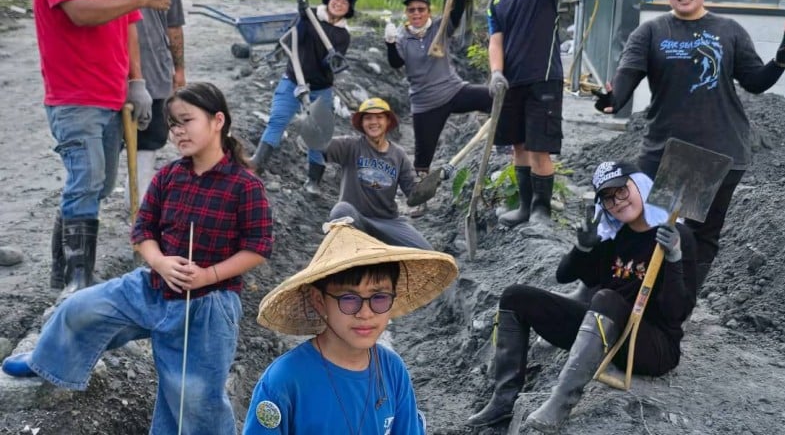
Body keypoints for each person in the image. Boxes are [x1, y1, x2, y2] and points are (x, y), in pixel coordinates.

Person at [2, 82, 274, 435]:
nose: (178, 131)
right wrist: (159, 262)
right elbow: (143, 230)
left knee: (193, 398)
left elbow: (258, 248)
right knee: (80, 309)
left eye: (186, 120)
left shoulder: (244, 186)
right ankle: (47, 361)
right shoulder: (169, 176)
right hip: (152, 287)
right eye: (173, 124)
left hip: (207, 305)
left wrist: (209, 276)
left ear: (217, 120)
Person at [593, 0, 785, 288]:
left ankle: (677, 305)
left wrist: (780, 60)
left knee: (698, 236)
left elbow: (755, 82)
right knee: (631, 215)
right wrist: (611, 99)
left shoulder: (728, 30)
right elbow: (626, 78)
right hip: (664, 149)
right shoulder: (651, 32)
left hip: (717, 149)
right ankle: (604, 289)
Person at [466, 160, 696, 430]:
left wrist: (675, 259)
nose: (617, 202)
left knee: (605, 298)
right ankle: (503, 400)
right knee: (515, 297)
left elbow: (676, 312)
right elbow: (563, 276)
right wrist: (582, 247)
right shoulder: (613, 235)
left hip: (652, 346)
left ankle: (560, 403)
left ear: (641, 185)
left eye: (622, 191)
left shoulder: (676, 236)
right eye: (608, 199)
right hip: (605, 334)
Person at [33, 0, 175, 293]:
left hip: (112, 93)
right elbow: (79, 12)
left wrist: (137, 82)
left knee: (100, 183)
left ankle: (62, 276)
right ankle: (79, 281)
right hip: (73, 95)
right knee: (88, 178)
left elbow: (126, 22)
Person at [243, 218, 458, 434]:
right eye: (348, 299)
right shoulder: (285, 381)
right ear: (319, 300)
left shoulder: (392, 370)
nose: (365, 313)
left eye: (380, 297)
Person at [486, 0, 581, 229]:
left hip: (543, 79)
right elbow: (495, 40)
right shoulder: (498, 0)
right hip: (512, 83)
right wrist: (497, 72)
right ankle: (525, 206)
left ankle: (542, 210)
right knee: (519, 146)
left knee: (540, 148)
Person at [384, 0, 491, 218]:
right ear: (407, 13)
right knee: (422, 159)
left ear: (428, 10)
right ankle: (420, 199)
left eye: (421, 9)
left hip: (453, 90)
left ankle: (502, 142)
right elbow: (395, 63)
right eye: (412, 10)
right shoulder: (402, 37)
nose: (416, 13)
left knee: (495, 97)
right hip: (425, 102)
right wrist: (390, 43)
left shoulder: (439, 28)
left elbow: (459, 10)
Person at [249, 0, 357, 195]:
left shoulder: (343, 35)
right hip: (293, 80)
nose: (338, 4)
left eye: (344, 3)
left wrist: (332, 59)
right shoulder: (310, 16)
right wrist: (303, 17)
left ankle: (313, 181)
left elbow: (329, 64)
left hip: (320, 88)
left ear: (348, 9)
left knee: (317, 134)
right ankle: (256, 165)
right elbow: (294, 36)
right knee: (278, 119)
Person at [125, 0, 187, 207]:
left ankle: (137, 208)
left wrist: (179, 69)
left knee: (149, 142)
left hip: (158, 73)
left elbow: (174, 26)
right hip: (121, 74)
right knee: (114, 144)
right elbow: (115, 3)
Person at [326, 98, 433, 250]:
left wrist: (432, 183)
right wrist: (316, 128)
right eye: (368, 118)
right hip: (355, 218)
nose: (373, 122)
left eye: (379, 117)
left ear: (388, 121)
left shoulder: (398, 155)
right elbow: (320, 146)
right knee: (340, 210)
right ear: (362, 124)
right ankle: (351, 257)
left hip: (387, 222)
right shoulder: (349, 146)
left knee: (427, 253)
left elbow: (413, 193)